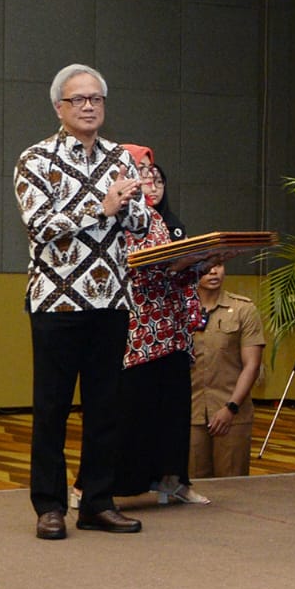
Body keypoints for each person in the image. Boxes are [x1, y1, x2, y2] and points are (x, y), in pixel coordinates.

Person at [15, 64, 152, 541]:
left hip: (111, 298)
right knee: (51, 407)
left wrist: (131, 203)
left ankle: (97, 501)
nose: (90, 106)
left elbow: (138, 224)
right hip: (56, 302)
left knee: (105, 408)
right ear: (60, 108)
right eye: (79, 100)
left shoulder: (122, 157)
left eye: (97, 99)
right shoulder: (35, 159)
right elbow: (41, 225)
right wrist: (103, 206)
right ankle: (49, 506)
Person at [112, 145, 211, 506]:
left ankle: (174, 479)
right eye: (142, 173)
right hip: (135, 329)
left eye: (155, 176)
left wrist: (201, 260)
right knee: (129, 412)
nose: (150, 182)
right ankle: (94, 486)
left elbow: (176, 274)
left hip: (171, 327)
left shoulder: (161, 221)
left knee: (172, 408)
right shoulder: (113, 215)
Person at [190, 262, 265, 478]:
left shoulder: (243, 309)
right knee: (193, 484)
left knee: (232, 486)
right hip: (191, 413)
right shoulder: (181, 310)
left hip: (232, 413)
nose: (214, 271)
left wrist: (230, 408)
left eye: (219, 265)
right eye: (206, 266)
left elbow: (252, 364)